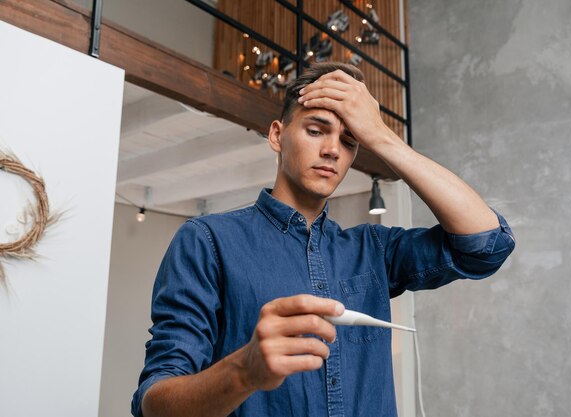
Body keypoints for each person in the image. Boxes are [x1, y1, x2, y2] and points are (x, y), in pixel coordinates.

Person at [131, 62, 515, 417]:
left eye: (350, 141)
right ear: (278, 135)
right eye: (315, 130)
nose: (332, 149)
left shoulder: (374, 250)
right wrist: (243, 370)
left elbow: (486, 245)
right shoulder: (207, 241)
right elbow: (155, 403)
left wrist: (381, 136)